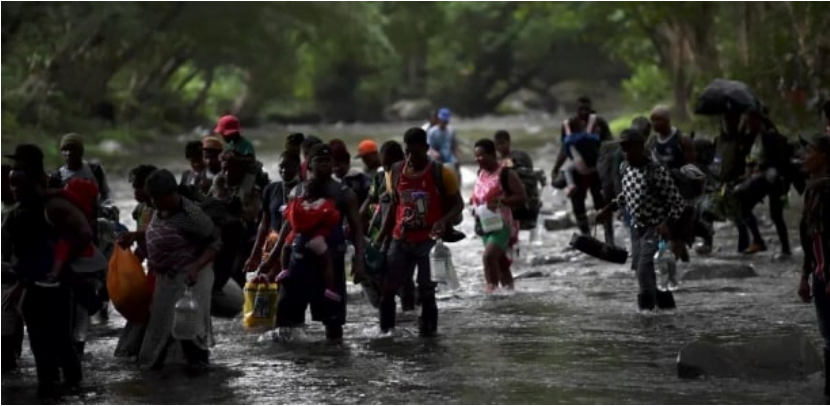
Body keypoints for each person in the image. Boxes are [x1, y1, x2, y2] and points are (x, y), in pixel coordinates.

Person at [258, 144, 366, 341]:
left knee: (333, 324)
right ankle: (294, 366)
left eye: (327, 161)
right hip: (298, 262)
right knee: (285, 320)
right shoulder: (297, 191)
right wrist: (272, 257)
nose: (324, 165)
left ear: (333, 163)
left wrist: (359, 261)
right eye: (319, 161)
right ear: (309, 164)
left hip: (330, 262)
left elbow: (357, 229)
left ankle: (332, 365)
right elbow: (287, 227)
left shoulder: (344, 193)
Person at [3, 144, 87, 396]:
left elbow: (83, 234)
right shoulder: (14, 216)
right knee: (39, 346)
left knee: (62, 342)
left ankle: (76, 391)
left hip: (56, 286)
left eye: (19, 184)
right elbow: (15, 257)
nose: (14, 190)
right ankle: (49, 391)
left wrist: (59, 265)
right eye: (11, 185)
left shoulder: (52, 206)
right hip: (31, 287)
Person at [376, 127, 464, 336]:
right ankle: (385, 333)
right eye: (407, 152)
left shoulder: (442, 172)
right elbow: (393, 208)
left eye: (415, 152)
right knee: (388, 288)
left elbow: (458, 205)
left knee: (426, 291)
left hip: (428, 240)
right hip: (401, 238)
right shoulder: (395, 172)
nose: (410, 157)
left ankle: (429, 335)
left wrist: (443, 221)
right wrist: (380, 238)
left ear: (425, 148)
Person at [129, 169, 219, 369]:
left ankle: (199, 379)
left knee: (191, 329)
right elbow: (162, 232)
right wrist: (136, 236)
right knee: (159, 329)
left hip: (192, 276)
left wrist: (196, 266)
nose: (153, 203)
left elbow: (215, 243)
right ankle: (160, 379)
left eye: (157, 199)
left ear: (172, 194)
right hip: (166, 277)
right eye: (151, 199)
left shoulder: (192, 216)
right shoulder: (159, 209)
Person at [596, 129, 685, 311]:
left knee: (644, 271)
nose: (626, 153)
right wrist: (608, 209)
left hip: (656, 228)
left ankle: (645, 317)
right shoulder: (626, 168)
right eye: (623, 149)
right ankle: (668, 314)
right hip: (637, 229)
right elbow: (626, 196)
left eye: (630, 149)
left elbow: (678, 203)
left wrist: (665, 223)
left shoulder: (656, 172)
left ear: (640, 147)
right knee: (648, 272)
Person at [796, 133, 830, 403]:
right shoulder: (812, 189)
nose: (804, 157)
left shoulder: (824, 190)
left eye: (810, 151)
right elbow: (809, 238)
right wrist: (805, 276)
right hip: (820, 274)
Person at [735, 108, 793, 256]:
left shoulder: (771, 137)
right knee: (743, 205)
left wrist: (762, 168)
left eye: (749, 122)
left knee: (776, 214)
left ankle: (785, 248)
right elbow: (744, 150)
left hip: (774, 181)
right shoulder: (752, 138)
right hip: (760, 180)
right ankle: (758, 241)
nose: (747, 125)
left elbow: (780, 161)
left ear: (758, 121)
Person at [472, 139, 527, 293]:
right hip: (485, 224)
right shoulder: (480, 172)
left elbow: (522, 197)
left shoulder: (506, 173)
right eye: (476, 156)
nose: (478, 159)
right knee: (501, 263)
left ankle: (492, 293)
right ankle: (510, 294)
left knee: (488, 257)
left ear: (492, 154)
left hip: (502, 225)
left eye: (481, 156)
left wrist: (501, 201)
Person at [113, 164, 157, 359]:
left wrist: (136, 235)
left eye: (140, 187)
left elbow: (160, 232)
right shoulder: (140, 210)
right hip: (151, 267)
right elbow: (142, 244)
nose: (136, 191)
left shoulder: (161, 207)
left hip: (164, 268)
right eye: (134, 187)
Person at [244, 152, 301, 274]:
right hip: (272, 243)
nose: (284, 170)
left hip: (293, 246)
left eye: (289, 166)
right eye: (281, 166)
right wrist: (255, 254)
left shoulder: (303, 190)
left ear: (297, 167)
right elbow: (264, 224)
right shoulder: (271, 189)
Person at [559, 116, 614, 244]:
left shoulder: (570, 139)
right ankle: (593, 237)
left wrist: (566, 125)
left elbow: (566, 143)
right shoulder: (591, 137)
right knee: (583, 206)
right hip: (593, 168)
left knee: (599, 203)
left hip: (581, 170)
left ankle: (604, 237)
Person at [50, 133, 112, 203]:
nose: (68, 153)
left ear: (80, 151)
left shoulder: (95, 170)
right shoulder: (58, 176)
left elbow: (105, 193)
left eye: (72, 149)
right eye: (65, 149)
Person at [331, 141, 372, 208]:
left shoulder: (362, 178)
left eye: (338, 165)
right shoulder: (330, 181)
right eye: (334, 166)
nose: (336, 169)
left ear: (348, 162)